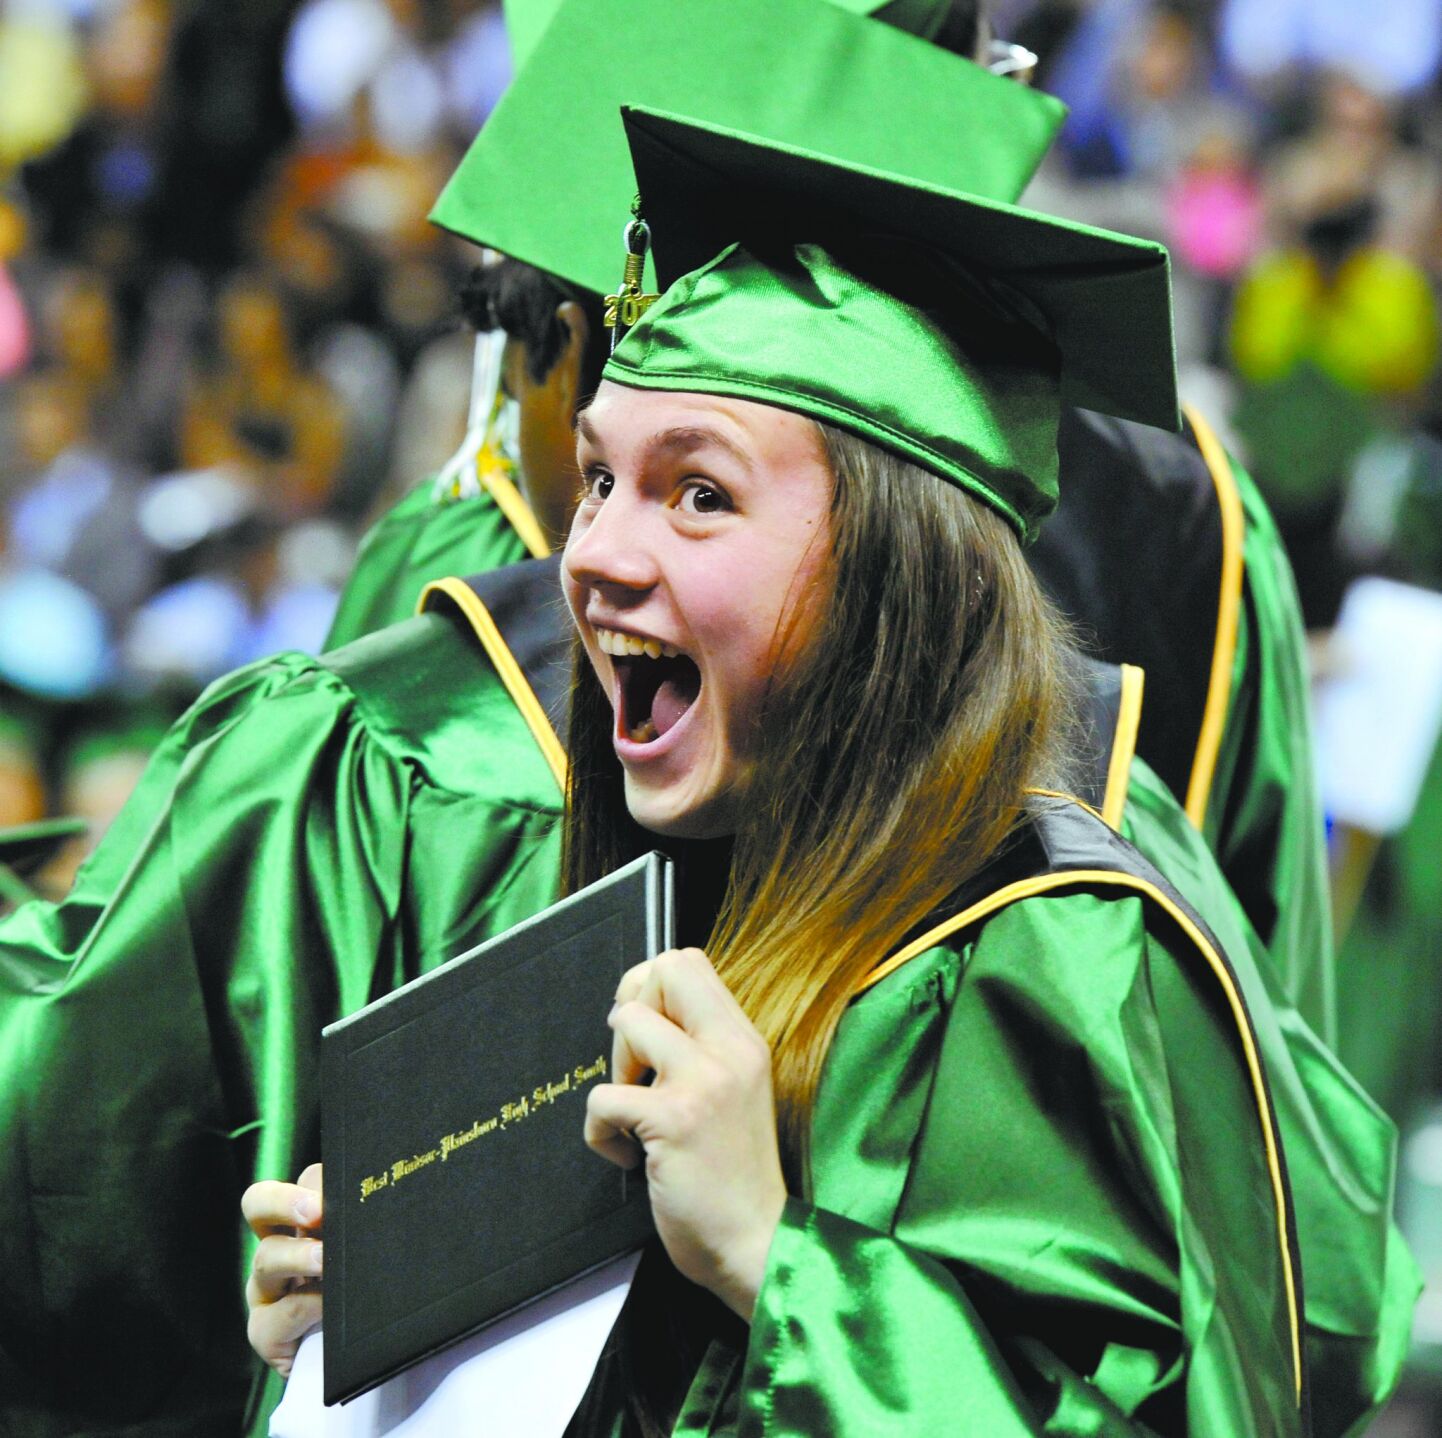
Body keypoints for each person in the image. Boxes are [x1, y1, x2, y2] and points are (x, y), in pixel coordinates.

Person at [244, 109, 1413, 1433]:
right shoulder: (659, 889)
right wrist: (368, 1337)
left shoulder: (1056, 949)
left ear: (884, 573)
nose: (594, 552)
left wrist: (773, 1257)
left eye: (698, 494)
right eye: (598, 477)